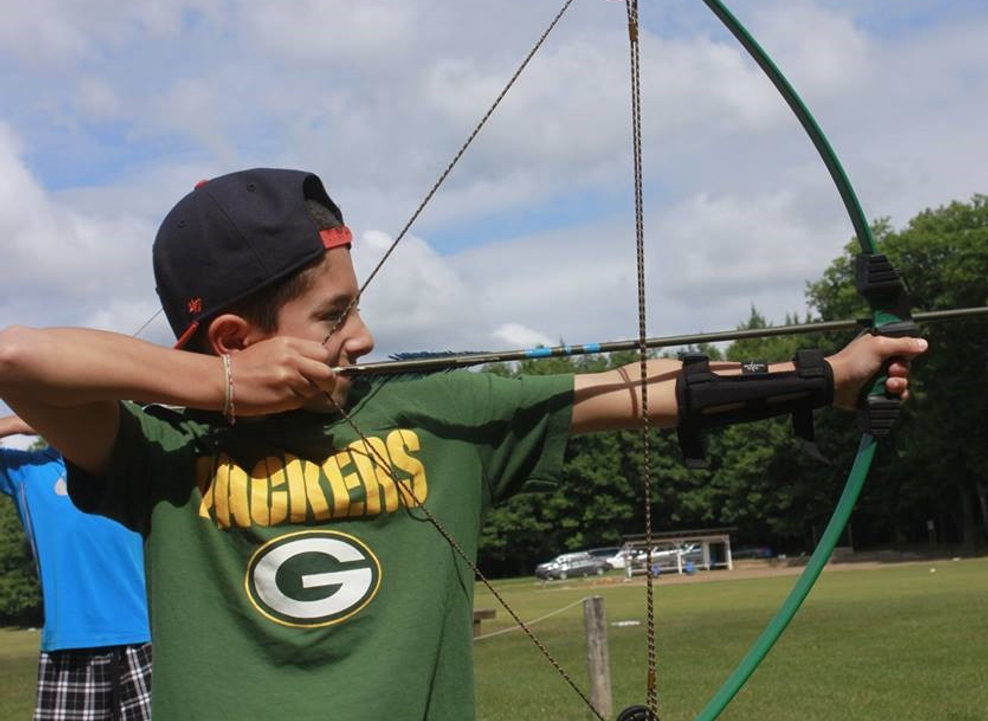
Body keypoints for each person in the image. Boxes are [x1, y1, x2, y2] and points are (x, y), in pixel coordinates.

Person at [0, 168, 927, 720]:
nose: (361, 337)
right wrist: (216, 387)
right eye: (335, 315)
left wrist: (825, 377)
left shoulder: (436, 412)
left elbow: (643, 391)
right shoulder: (153, 451)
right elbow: (15, 356)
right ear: (241, 338)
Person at [0, 414, 151, 721]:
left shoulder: (127, 461)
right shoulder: (26, 473)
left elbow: (120, 415)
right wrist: (17, 422)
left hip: (145, 639)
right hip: (69, 642)